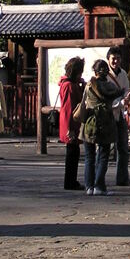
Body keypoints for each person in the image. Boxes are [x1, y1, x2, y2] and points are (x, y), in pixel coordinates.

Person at [82, 59, 130, 195]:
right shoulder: (110, 87)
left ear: (95, 71)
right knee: (103, 155)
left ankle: (88, 186)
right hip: (106, 121)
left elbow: (83, 103)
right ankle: (99, 186)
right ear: (106, 72)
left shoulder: (88, 85)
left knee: (89, 156)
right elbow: (118, 97)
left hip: (90, 121)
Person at [106, 47, 130, 186]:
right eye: (113, 58)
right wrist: (122, 102)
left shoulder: (123, 74)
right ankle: (99, 180)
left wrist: (127, 97)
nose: (115, 61)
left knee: (123, 147)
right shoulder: (104, 76)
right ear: (108, 59)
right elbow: (106, 100)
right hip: (107, 116)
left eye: (118, 58)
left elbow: (126, 89)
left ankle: (122, 178)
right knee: (104, 149)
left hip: (120, 115)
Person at [59, 56, 86, 190]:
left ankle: (70, 180)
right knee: (72, 154)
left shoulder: (66, 84)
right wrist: (71, 128)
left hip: (67, 122)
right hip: (70, 124)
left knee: (72, 153)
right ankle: (70, 181)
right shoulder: (69, 86)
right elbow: (70, 107)